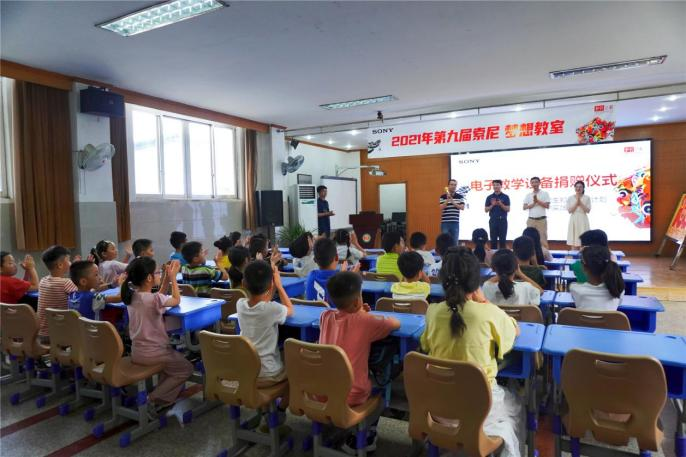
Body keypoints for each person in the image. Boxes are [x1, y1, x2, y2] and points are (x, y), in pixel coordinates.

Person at [419, 247, 522, 457]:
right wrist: (483, 301)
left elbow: (426, 346)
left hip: (438, 406)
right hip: (480, 408)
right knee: (519, 405)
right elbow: (514, 331)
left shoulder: (432, 312)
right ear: (476, 282)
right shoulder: (489, 312)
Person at [319, 272, 400, 454]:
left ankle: (333, 430)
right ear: (357, 300)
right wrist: (362, 313)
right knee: (380, 398)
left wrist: (360, 311)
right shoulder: (365, 320)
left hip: (322, 391)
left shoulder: (325, 316)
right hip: (352, 396)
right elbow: (395, 323)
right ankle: (362, 437)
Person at [123, 258, 192, 415]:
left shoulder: (133, 297)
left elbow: (158, 296)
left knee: (171, 369)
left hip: (137, 352)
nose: (158, 274)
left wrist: (166, 280)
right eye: (156, 273)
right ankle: (151, 399)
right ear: (149, 278)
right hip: (156, 354)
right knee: (186, 369)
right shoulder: (153, 299)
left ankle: (162, 401)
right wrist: (173, 277)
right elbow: (175, 300)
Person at [237, 259, 294, 387]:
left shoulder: (240, 304)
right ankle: (280, 408)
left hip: (247, 371)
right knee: (296, 372)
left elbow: (262, 303)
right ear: (269, 285)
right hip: (269, 373)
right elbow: (290, 309)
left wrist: (272, 288)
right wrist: (278, 286)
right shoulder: (273, 309)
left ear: (243, 284)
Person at [37, 246, 78, 341]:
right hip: (59, 335)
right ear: (60, 265)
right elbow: (83, 294)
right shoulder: (65, 283)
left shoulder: (43, 280)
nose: (70, 263)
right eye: (68, 260)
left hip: (42, 333)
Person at [570, 245, 624, 311]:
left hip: (583, 321)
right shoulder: (618, 289)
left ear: (584, 267)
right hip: (609, 321)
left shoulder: (575, 288)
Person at [305, 238, 341, 303]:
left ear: (315, 260)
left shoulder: (311, 276)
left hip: (313, 313)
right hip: (333, 313)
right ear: (337, 257)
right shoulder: (340, 279)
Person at [522, 177, 551, 248]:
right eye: (533, 182)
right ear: (531, 184)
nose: (534, 184)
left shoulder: (545, 193)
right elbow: (524, 207)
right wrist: (534, 203)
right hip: (531, 220)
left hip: (541, 220)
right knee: (529, 238)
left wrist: (538, 201)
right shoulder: (528, 195)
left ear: (539, 183)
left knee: (543, 239)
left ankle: (544, 256)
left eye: (536, 182)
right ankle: (530, 255)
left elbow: (547, 206)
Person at [484, 180, 511, 249]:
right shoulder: (489, 197)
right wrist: (492, 205)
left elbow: (508, 209)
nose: (496, 186)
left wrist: (501, 204)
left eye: (497, 185)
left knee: (503, 240)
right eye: (494, 185)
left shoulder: (505, 197)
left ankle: (503, 258)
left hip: (503, 221)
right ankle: (494, 258)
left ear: (501, 186)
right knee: (493, 240)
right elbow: (486, 210)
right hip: (493, 220)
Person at [439, 179, 465, 243]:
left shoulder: (460, 196)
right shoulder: (443, 196)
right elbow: (441, 207)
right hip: (445, 223)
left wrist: (453, 202)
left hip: (455, 223)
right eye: (452, 184)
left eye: (455, 185)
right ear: (448, 186)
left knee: (455, 242)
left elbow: (462, 207)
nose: (453, 186)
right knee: (445, 242)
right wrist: (447, 200)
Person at [567, 180, 591, 249]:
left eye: (580, 187)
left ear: (583, 188)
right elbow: (569, 210)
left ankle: (584, 257)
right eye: (576, 187)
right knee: (573, 240)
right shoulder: (570, 198)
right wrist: (576, 203)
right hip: (574, 218)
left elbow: (588, 210)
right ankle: (573, 256)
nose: (578, 188)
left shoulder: (587, 198)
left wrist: (580, 202)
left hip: (583, 218)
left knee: (583, 240)